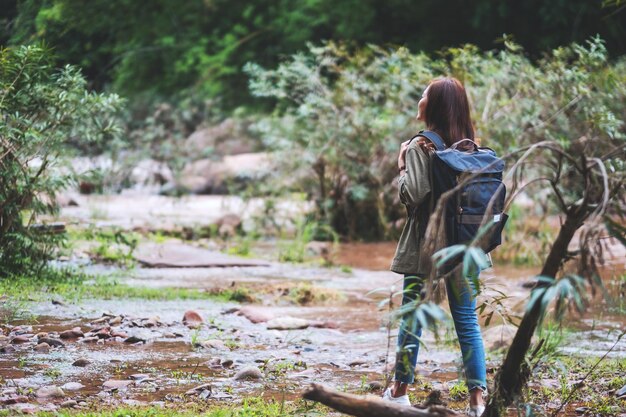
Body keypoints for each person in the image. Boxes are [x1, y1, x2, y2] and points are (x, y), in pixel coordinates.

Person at [382, 77, 487, 417]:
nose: (420, 99)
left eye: (424, 94)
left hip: (425, 245)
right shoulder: (471, 148)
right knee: (467, 319)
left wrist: (402, 163)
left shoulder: (419, 146)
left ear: (435, 105)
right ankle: (477, 401)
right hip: (464, 245)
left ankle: (399, 390)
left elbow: (412, 195)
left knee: (412, 315)